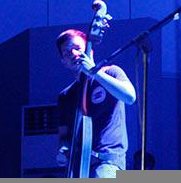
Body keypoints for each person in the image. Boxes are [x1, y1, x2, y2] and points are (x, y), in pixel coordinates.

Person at [55, 29, 136, 178]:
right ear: (63, 62)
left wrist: (94, 72)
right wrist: (63, 150)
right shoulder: (65, 96)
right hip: (78, 166)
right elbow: (64, 135)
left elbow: (130, 97)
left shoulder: (111, 72)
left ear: (89, 51)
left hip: (107, 163)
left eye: (77, 48)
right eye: (66, 52)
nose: (73, 53)